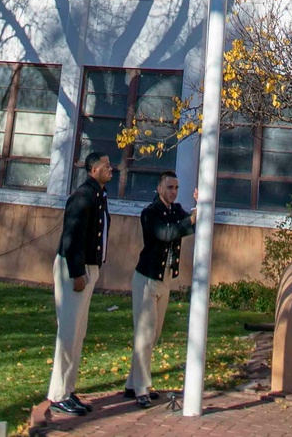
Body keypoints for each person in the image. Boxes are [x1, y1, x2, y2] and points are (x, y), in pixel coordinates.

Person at [46, 151, 113, 417]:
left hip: (89, 268)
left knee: (78, 332)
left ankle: (68, 389)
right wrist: (77, 273)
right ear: (94, 169)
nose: (111, 168)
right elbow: (72, 236)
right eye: (106, 166)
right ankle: (58, 394)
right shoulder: (83, 196)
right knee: (68, 333)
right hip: (75, 269)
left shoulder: (97, 195)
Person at [125, 170, 197, 407]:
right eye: (169, 187)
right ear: (159, 189)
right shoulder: (150, 213)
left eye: (176, 188)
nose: (174, 192)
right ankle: (142, 389)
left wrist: (199, 206)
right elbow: (167, 233)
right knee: (145, 334)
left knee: (152, 334)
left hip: (164, 278)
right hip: (146, 279)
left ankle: (131, 384)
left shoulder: (175, 211)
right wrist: (191, 221)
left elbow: (187, 222)